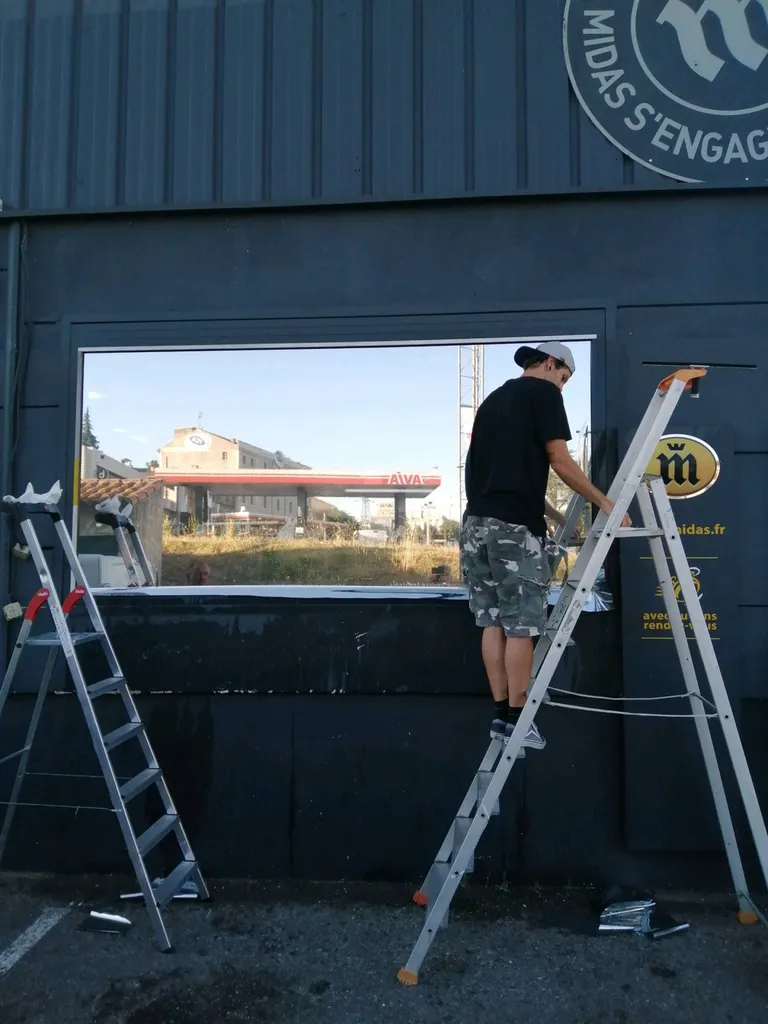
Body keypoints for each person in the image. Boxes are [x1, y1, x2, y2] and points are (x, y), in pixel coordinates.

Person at [459, 341, 630, 751]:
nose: (563, 386)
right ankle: (521, 719)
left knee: (492, 621)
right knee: (522, 626)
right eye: (564, 377)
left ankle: (502, 715)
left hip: (475, 526)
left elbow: (496, 476)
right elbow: (560, 460)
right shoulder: (544, 394)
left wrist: (555, 520)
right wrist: (605, 502)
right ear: (551, 364)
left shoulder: (493, 401)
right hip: (514, 531)